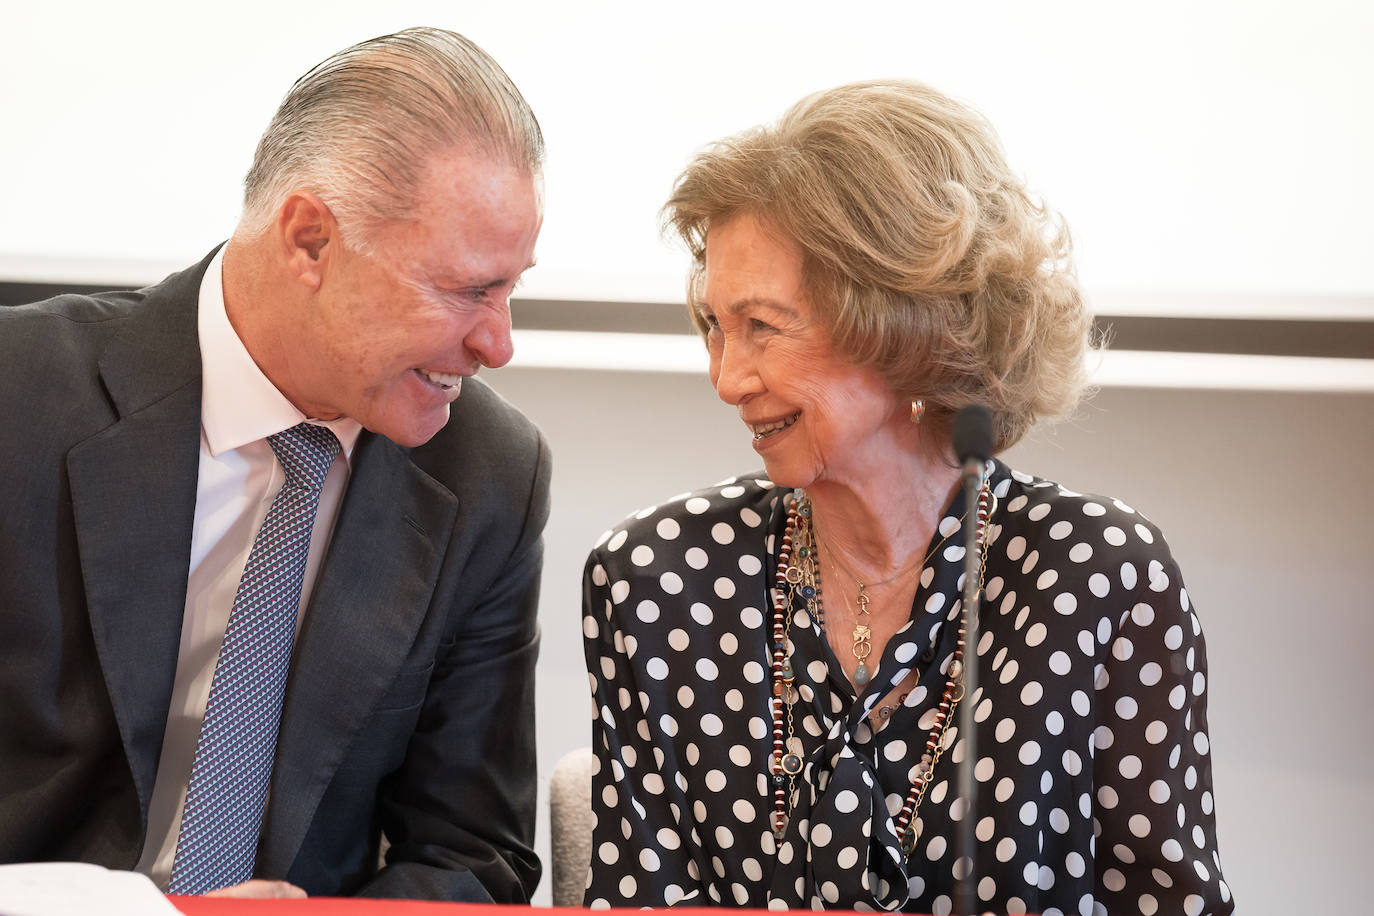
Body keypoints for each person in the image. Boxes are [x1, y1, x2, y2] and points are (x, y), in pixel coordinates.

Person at [582, 81, 1233, 914]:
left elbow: (1171, 905)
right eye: (715, 325)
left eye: (763, 328)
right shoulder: (653, 580)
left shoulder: (1097, 581)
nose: (726, 378)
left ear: (901, 326)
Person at [0, 28, 549, 902]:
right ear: (308, 241)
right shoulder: (20, 397)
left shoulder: (489, 472)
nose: (498, 341)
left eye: (512, 286)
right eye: (466, 289)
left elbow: (472, 855)